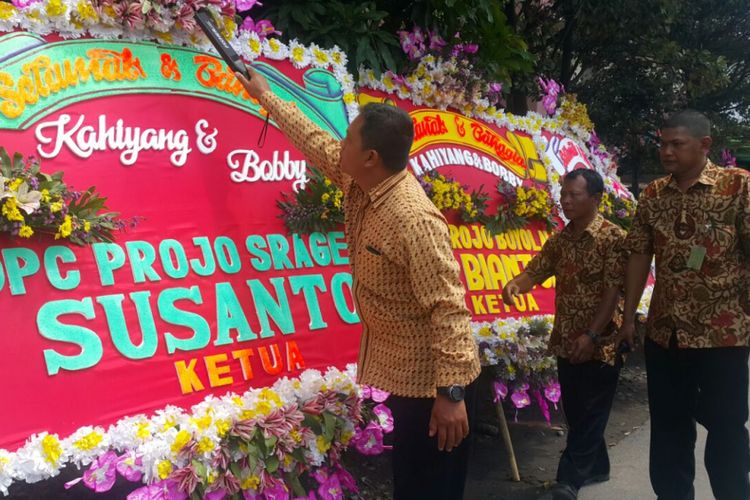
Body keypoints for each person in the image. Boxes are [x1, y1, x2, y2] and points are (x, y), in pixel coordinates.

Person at [235, 68, 480, 499]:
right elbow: (314, 141)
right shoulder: (362, 184)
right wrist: (266, 95)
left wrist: (452, 394)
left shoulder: (412, 219)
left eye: (349, 138)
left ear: (371, 157)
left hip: (435, 388)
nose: (339, 143)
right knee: (411, 482)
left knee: (432, 488)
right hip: (409, 381)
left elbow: (449, 308)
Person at [619, 110, 750, 500]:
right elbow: (639, 255)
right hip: (666, 333)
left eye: (677, 144)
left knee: (727, 428)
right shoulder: (653, 195)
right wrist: (628, 318)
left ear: (704, 145)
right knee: (669, 429)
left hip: (722, 334)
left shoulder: (737, 187)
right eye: (663, 144)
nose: (667, 152)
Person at [502, 169, 626, 500]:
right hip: (568, 340)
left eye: (574, 195)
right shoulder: (561, 240)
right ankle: (597, 466)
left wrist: (592, 335)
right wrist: (516, 284)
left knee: (592, 412)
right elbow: (537, 270)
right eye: (564, 194)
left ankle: (566, 482)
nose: (566, 201)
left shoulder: (613, 239)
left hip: (604, 342)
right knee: (575, 409)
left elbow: (613, 293)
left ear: (596, 199)